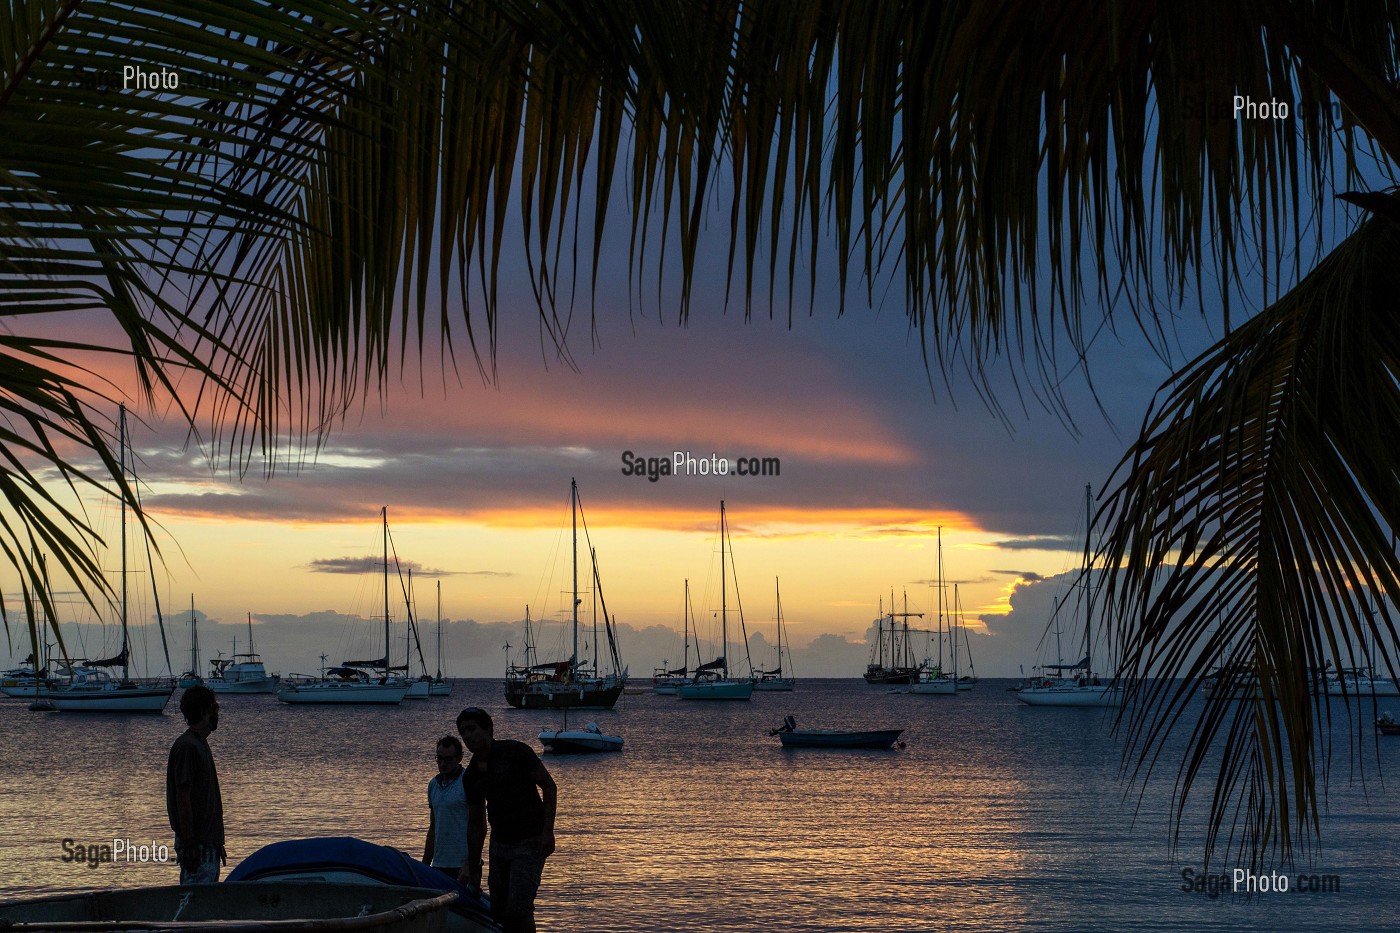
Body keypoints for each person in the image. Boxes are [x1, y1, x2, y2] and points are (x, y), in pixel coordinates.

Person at [456, 707, 556, 933]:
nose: (467, 736)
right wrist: (473, 868)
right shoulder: (471, 775)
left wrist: (548, 831)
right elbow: (475, 824)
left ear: (488, 729)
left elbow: (549, 786)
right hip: (499, 844)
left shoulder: (515, 752)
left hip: (530, 841)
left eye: (472, 729)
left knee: (519, 909)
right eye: (463, 732)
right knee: (499, 910)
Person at [165, 685, 225, 884]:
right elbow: (183, 797)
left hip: (208, 844)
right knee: (196, 904)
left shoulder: (200, 744)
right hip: (197, 846)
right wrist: (190, 843)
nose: (218, 711)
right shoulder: (187, 747)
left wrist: (217, 842)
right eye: (214, 707)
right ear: (203, 712)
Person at [423, 735, 468, 879]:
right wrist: (424, 866)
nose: (443, 764)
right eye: (439, 759)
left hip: (463, 865)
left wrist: (469, 863)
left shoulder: (468, 781)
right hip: (439, 863)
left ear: (459, 758)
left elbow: (479, 825)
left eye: (448, 759)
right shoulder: (433, 785)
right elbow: (433, 827)